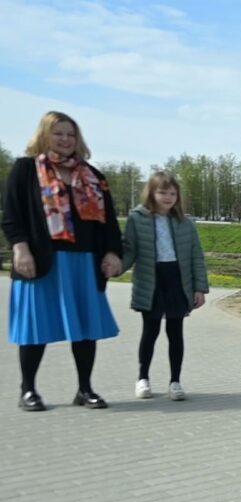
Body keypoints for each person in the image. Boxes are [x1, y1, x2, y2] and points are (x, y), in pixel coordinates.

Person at [3, 111, 122, 411]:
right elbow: (12, 217)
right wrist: (21, 250)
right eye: (59, 133)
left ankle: (85, 389)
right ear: (45, 135)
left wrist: (111, 253)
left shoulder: (94, 176)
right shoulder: (26, 170)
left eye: (71, 134)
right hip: (41, 260)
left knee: (85, 328)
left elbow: (108, 224)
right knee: (35, 327)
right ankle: (28, 390)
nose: (66, 140)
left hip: (84, 263)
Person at [122, 172, 209, 401]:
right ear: (151, 192)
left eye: (172, 193)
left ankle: (175, 381)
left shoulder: (185, 223)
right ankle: (143, 379)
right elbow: (129, 251)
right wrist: (114, 267)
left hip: (177, 280)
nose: (168, 197)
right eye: (162, 192)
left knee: (175, 332)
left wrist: (199, 288)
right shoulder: (137, 219)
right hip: (151, 280)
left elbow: (196, 257)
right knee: (149, 332)